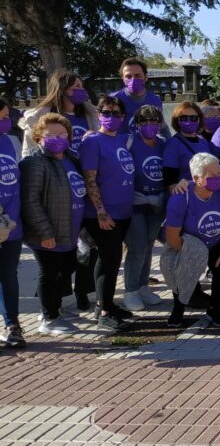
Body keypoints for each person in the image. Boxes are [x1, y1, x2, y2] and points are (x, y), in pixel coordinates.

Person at [19, 114, 85, 337]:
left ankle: (54, 309)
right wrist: (44, 232)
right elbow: (30, 200)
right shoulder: (34, 162)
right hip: (48, 233)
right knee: (50, 273)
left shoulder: (70, 158)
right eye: (51, 134)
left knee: (66, 270)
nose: (57, 138)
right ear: (38, 137)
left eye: (62, 134)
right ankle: (48, 318)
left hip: (69, 230)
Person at [162, 152, 220, 326]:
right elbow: (172, 236)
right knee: (182, 271)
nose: (217, 178)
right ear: (196, 178)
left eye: (219, 173)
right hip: (187, 244)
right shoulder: (181, 197)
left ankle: (214, 309)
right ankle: (178, 308)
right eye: (212, 175)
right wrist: (190, 255)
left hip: (214, 243)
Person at [80, 94, 135, 330]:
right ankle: (104, 312)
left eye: (116, 114)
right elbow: (90, 179)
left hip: (123, 212)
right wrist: (101, 212)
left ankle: (106, 304)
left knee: (114, 260)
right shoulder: (93, 142)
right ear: (98, 114)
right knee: (107, 259)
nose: (111, 117)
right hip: (103, 214)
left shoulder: (121, 140)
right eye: (106, 113)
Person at [121, 105, 166, 312]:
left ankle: (142, 286)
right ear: (137, 124)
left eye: (154, 121)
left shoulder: (163, 144)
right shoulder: (129, 141)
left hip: (156, 204)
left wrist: (161, 197)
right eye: (144, 121)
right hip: (135, 204)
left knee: (148, 246)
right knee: (137, 248)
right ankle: (130, 291)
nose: (149, 125)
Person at [19, 69, 98, 156]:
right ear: (64, 89)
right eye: (77, 86)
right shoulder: (39, 117)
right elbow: (29, 151)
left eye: (82, 86)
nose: (82, 90)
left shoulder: (91, 113)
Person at [0, 98, 24, 345]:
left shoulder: (11, 142)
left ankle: (12, 325)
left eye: (7, 117)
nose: (5, 122)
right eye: (1, 118)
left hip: (12, 224)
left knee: (8, 274)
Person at [163, 101, 213, 186]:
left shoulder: (203, 142)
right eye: (184, 118)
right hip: (185, 192)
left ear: (199, 119)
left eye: (193, 118)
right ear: (177, 120)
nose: (188, 121)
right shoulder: (173, 144)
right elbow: (170, 182)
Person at [110, 58, 164, 131]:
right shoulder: (112, 100)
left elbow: (162, 129)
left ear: (146, 77)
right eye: (128, 76)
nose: (133, 79)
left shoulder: (155, 101)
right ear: (123, 79)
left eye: (137, 75)